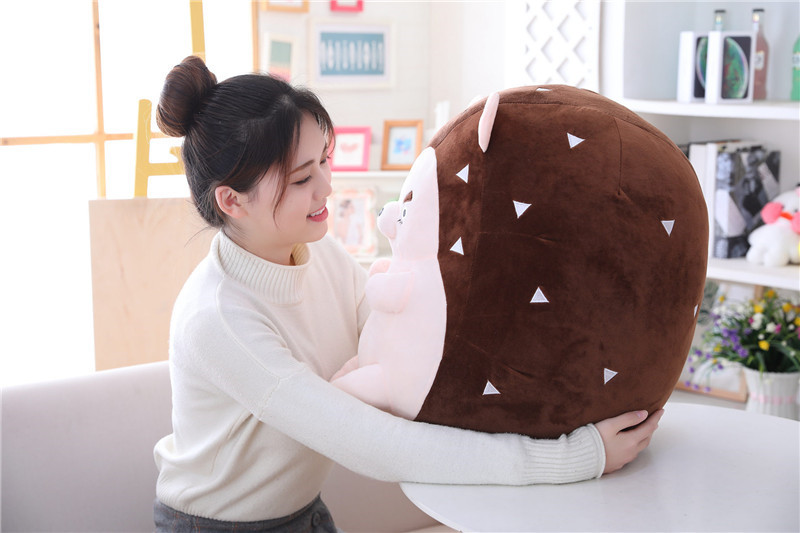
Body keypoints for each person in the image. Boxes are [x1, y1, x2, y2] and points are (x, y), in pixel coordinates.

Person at [152, 55, 663, 532]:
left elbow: (406, 345)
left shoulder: (319, 255)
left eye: (325, 160)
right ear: (232, 201)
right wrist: (570, 457)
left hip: (304, 512)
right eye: (303, 178)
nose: (327, 186)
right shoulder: (218, 318)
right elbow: (371, 442)